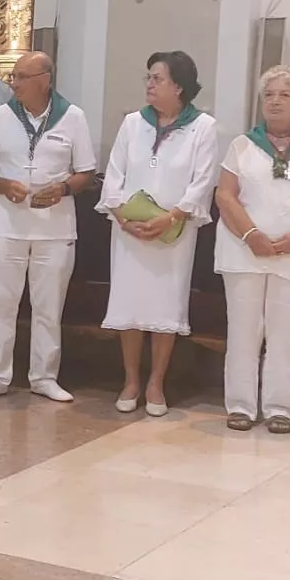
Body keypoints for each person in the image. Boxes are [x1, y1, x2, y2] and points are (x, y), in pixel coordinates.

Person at [0, 50, 95, 403]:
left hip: (56, 229)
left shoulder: (73, 117)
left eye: (21, 76)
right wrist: (4, 186)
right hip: (6, 226)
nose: (13, 83)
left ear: (44, 81)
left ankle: (44, 377)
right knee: (0, 304)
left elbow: (86, 172)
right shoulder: (1, 117)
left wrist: (63, 189)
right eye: (14, 76)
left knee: (49, 306)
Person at [213, 66, 290, 433]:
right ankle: (240, 405)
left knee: (287, 334)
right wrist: (251, 234)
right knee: (243, 331)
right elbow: (225, 195)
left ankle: (280, 408)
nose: (275, 101)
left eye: (284, 95)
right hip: (244, 252)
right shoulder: (242, 145)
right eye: (269, 94)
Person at [99, 51, 220, 417]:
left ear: (179, 87)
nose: (149, 85)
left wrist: (172, 217)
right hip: (130, 231)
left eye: (157, 79)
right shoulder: (133, 123)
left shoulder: (203, 127)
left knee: (165, 306)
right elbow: (114, 174)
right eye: (148, 78)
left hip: (174, 233)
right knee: (130, 306)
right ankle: (131, 380)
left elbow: (203, 181)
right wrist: (122, 217)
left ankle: (156, 382)